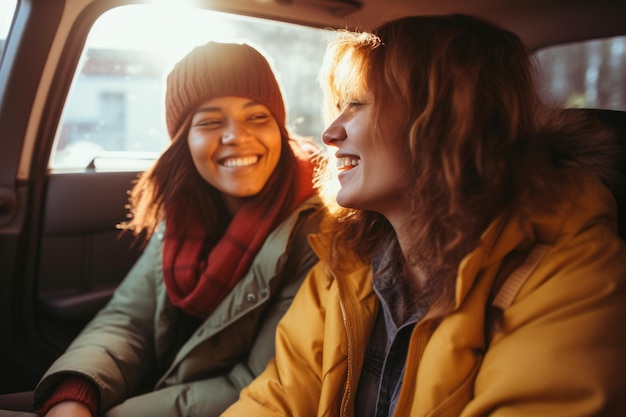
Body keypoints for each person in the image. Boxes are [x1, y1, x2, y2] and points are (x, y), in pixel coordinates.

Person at [222, 14, 626, 417]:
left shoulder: (572, 271)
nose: (330, 133)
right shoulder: (340, 270)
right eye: (340, 107)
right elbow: (274, 401)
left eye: (357, 105)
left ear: (444, 120)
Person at [30, 41, 325, 417]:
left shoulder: (313, 229)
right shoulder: (183, 209)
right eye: (211, 121)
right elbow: (128, 320)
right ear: (184, 139)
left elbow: (261, 381)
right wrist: (76, 391)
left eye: (257, 117)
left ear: (279, 129)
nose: (237, 136)